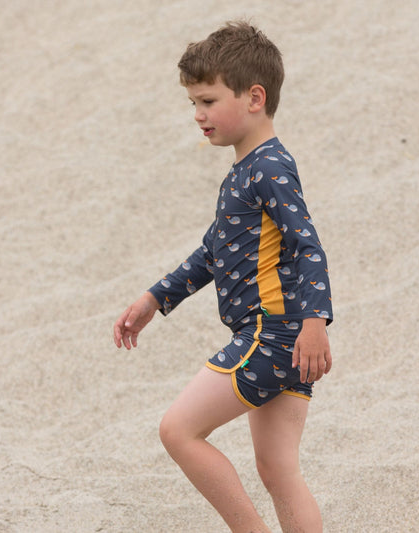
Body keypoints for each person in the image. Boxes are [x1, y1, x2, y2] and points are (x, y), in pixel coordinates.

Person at [113, 21, 333, 533]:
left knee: (178, 431)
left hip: (272, 334)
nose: (198, 114)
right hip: (287, 338)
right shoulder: (246, 170)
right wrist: (154, 298)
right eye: (193, 103)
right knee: (279, 470)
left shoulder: (269, 168)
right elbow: (213, 253)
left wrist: (315, 321)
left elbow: (308, 244)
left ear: (254, 97)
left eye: (208, 101)